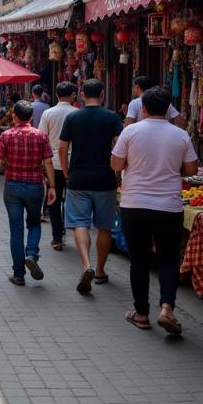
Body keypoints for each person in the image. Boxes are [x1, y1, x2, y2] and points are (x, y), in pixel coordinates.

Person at [111, 86, 198, 334]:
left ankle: (140, 314)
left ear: (144, 108)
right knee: (169, 258)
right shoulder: (181, 135)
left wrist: (131, 163)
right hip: (169, 206)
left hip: (134, 205)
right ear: (169, 109)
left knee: (139, 260)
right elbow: (192, 170)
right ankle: (167, 308)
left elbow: (115, 164)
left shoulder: (130, 132)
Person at [59, 79, 123, 295]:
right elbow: (120, 147)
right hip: (105, 179)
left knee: (80, 223)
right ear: (102, 94)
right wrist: (118, 172)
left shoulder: (73, 117)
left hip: (78, 179)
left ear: (82, 95)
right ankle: (100, 270)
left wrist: (67, 172)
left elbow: (62, 148)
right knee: (104, 227)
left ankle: (86, 264)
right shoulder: (112, 117)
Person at [0, 100, 55, 286]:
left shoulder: (6, 135)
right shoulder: (41, 136)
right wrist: (52, 186)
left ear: (14, 116)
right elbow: (48, 162)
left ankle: (18, 274)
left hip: (13, 187)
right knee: (34, 223)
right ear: (32, 116)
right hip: (35, 186)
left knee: (16, 230)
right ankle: (32, 254)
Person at [39, 82, 78, 250]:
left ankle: (57, 236)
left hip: (52, 164)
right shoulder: (78, 113)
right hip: (74, 163)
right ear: (73, 95)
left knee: (53, 200)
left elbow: (42, 138)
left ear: (56, 95)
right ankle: (74, 233)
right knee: (73, 199)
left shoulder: (48, 113)